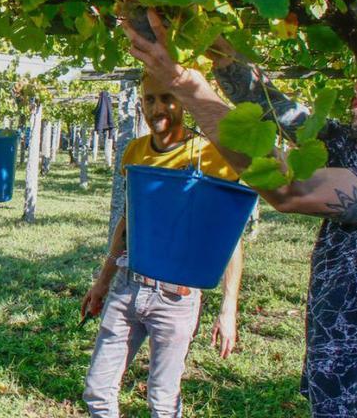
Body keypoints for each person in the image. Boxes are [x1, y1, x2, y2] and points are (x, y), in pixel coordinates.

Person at [125, 10, 357, 416]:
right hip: (339, 396)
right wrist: (220, 53)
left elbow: (290, 190)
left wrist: (187, 87)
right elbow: (279, 110)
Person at [80, 73, 245, 418]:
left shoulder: (208, 155)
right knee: (97, 391)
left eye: (166, 97)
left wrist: (228, 309)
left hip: (176, 297)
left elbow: (228, 235)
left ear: (184, 100)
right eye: (149, 99)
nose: (158, 107)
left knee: (163, 400)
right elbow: (129, 221)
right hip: (128, 286)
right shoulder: (135, 152)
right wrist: (102, 280)